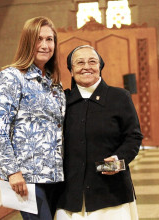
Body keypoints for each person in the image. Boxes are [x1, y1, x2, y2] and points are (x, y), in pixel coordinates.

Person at [55, 45, 143, 220]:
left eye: (92, 61)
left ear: (100, 66)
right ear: (71, 71)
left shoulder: (120, 97)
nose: (86, 66)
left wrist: (118, 160)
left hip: (111, 194)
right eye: (79, 62)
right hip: (70, 195)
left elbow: (133, 137)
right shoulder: (61, 101)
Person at [0, 16, 66, 220]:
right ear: (27, 42)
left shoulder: (54, 84)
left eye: (49, 39)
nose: (44, 45)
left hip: (56, 176)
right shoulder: (12, 77)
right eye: (38, 39)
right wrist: (12, 171)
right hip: (27, 176)